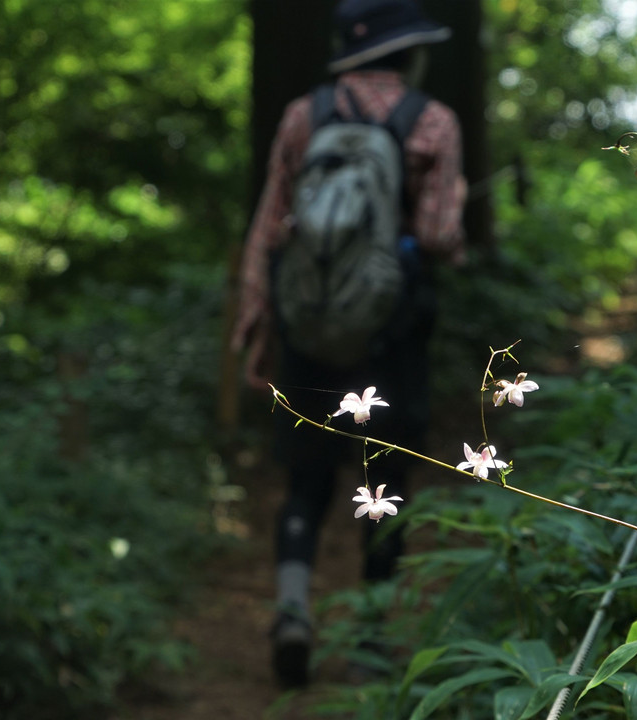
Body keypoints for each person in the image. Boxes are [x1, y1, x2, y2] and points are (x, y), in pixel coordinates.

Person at [232, 0, 467, 687]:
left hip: (309, 329)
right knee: (385, 483)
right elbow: (438, 236)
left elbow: (269, 227)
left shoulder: (305, 115)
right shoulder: (432, 122)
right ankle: (368, 643)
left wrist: (257, 323)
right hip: (390, 333)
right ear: (410, 51)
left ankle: (293, 612)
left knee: (305, 481)